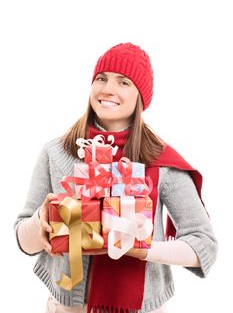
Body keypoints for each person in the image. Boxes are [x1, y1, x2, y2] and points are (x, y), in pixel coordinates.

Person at [14, 42, 218, 313]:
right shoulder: (56, 151)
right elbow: (23, 242)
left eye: (123, 82)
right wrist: (40, 222)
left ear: (140, 97)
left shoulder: (162, 161)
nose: (107, 89)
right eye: (101, 78)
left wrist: (145, 250)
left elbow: (204, 245)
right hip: (69, 308)